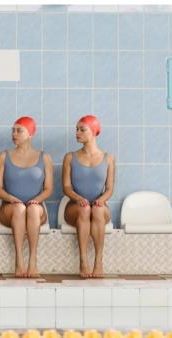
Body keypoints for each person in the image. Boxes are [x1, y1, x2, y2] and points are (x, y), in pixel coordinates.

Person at [0, 116, 53, 278]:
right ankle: (19, 261)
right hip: (9, 209)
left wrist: (37, 200)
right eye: (13, 131)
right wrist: (11, 198)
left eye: (19, 130)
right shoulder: (4, 156)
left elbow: (48, 189)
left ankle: (32, 261)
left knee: (33, 209)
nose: (14, 134)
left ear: (30, 133)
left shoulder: (44, 157)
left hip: (36, 208)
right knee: (20, 208)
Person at [62, 115, 115, 278]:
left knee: (97, 211)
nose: (77, 133)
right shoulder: (70, 157)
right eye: (76, 129)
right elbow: (66, 187)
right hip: (74, 208)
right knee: (85, 209)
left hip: (99, 205)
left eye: (82, 129)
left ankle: (98, 261)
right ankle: (83, 260)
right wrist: (77, 198)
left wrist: (102, 199)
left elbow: (109, 188)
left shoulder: (109, 158)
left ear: (93, 131)